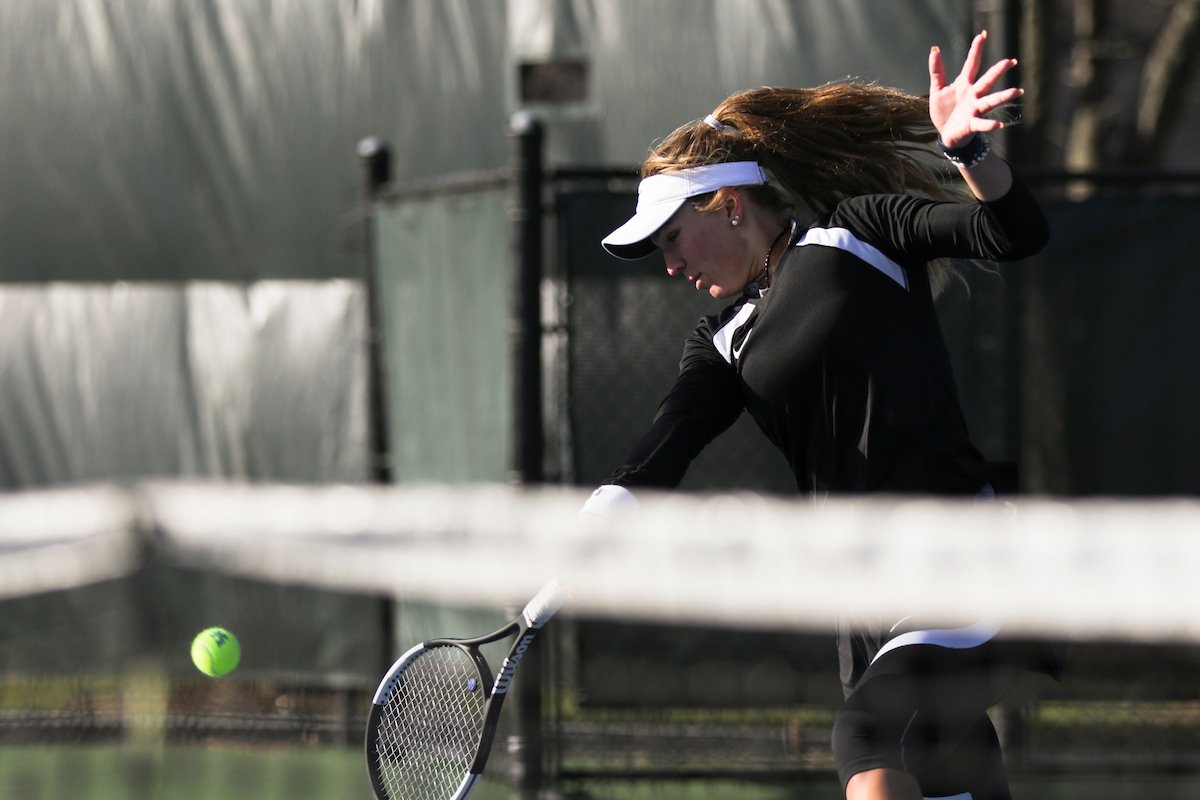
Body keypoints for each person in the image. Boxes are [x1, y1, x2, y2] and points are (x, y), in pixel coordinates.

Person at [581, 32, 1059, 800]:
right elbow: (666, 443)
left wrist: (969, 153)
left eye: (673, 237)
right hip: (868, 614)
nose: (671, 263)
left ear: (729, 205)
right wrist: (602, 514)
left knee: (867, 744)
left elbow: (1014, 232)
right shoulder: (724, 341)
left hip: (959, 569)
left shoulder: (862, 234)